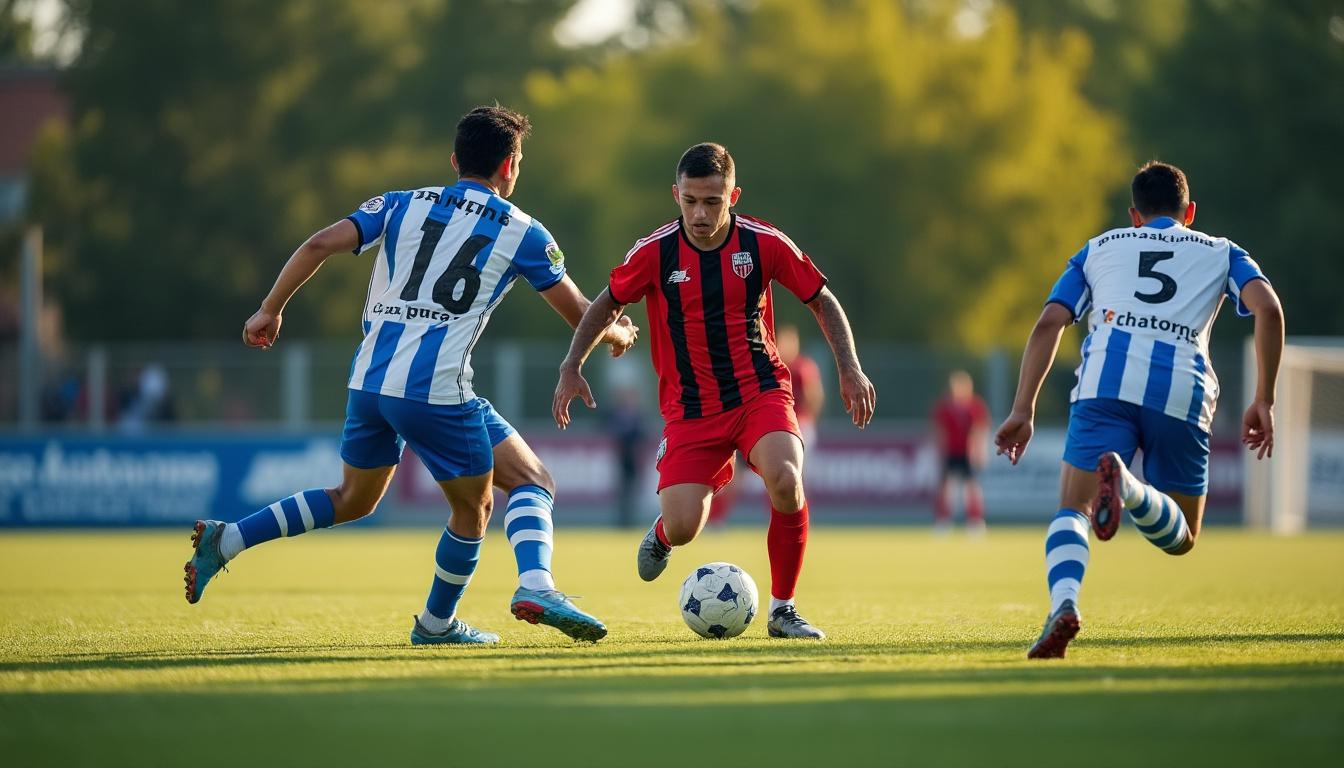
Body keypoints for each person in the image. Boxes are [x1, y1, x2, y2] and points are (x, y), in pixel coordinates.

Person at [184, 106, 638, 645]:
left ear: (454, 161)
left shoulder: (400, 204)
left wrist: (270, 308)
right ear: (510, 167)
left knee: (353, 498)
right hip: (436, 392)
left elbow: (317, 244)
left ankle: (227, 539)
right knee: (511, 491)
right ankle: (485, 605)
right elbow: (579, 311)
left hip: (370, 384)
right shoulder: (523, 232)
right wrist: (615, 334)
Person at [552, 143, 876, 639]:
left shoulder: (764, 243)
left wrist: (848, 368)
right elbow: (606, 304)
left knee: (786, 479)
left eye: (713, 201)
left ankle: (783, 609)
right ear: (676, 195)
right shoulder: (654, 252)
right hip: (690, 410)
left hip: (759, 391)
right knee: (684, 526)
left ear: (733, 196)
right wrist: (572, 364)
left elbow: (821, 299)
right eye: (690, 201)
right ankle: (663, 536)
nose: (700, 214)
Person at [994, 161, 1283, 659]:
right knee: (1184, 537)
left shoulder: (1099, 248)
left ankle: (1064, 602)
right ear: (1189, 212)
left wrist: (1023, 408)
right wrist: (1264, 398)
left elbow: (1049, 324)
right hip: (1182, 392)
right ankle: (1128, 486)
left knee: (1073, 508)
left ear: (1134, 215)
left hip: (1106, 381)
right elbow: (1270, 309)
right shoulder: (1222, 252)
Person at [705, 324, 824, 526]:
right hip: (766, 426)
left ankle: (793, 522)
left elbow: (814, 397)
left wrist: (807, 419)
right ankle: (716, 519)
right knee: (739, 478)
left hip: (796, 425)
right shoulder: (770, 365)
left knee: (793, 478)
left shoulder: (802, 367)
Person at [930, 370, 989, 534]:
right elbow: (940, 431)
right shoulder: (945, 407)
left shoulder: (975, 407)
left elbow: (980, 430)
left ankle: (975, 521)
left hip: (967, 454)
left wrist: (979, 451)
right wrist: (940, 452)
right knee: (946, 488)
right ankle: (943, 521)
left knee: (972, 488)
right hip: (950, 452)